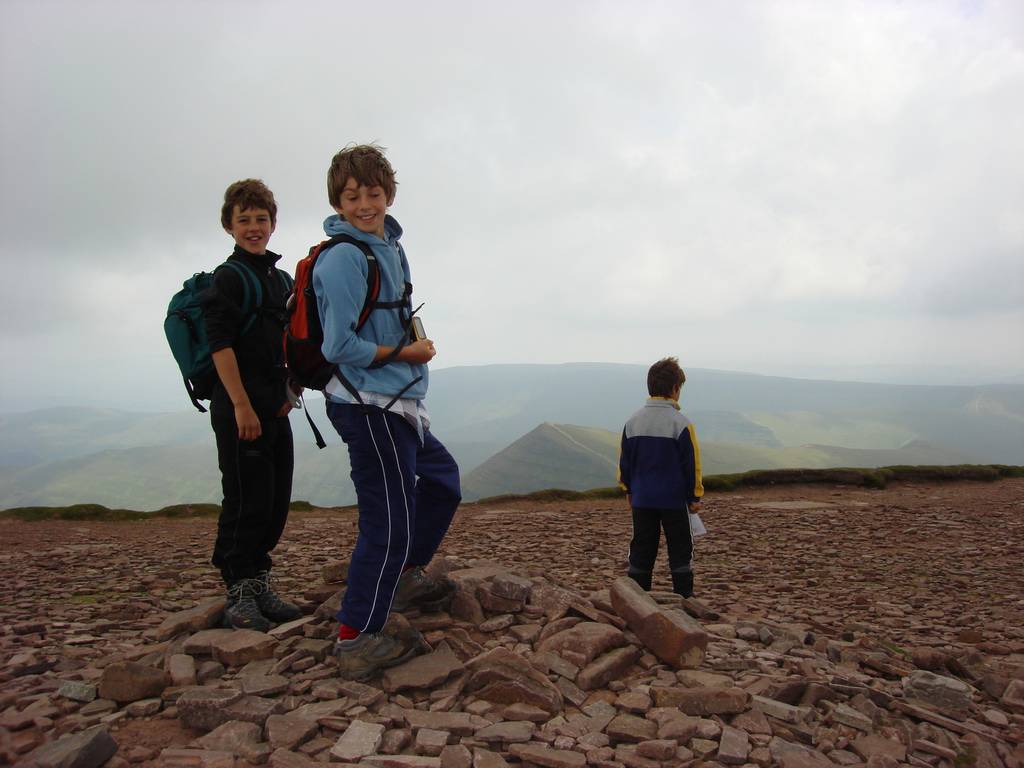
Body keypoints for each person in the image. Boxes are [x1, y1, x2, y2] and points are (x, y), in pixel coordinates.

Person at [313, 144, 462, 680]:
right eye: (352, 196)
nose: (364, 204)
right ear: (338, 200)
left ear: (388, 194)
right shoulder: (344, 258)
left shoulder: (390, 247)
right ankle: (356, 635)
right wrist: (407, 353)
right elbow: (337, 346)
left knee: (443, 481)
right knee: (389, 520)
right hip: (366, 402)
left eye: (373, 193)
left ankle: (400, 576)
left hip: (400, 401)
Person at [203, 179, 304, 632]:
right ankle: (239, 589)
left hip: (274, 407)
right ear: (229, 225)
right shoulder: (228, 278)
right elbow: (220, 346)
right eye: (244, 220)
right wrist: (242, 406)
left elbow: (288, 341)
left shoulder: (280, 278)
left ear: (273, 223)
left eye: (261, 219)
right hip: (238, 407)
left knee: (275, 497)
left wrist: (290, 391)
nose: (254, 227)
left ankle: (259, 581)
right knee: (245, 497)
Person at [618, 357, 704, 598]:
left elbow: (625, 461)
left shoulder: (632, 422)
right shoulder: (682, 424)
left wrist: (628, 490)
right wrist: (694, 496)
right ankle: (684, 599)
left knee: (642, 547)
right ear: (675, 389)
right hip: (673, 500)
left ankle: (637, 599)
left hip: (642, 498)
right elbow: (692, 465)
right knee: (680, 548)